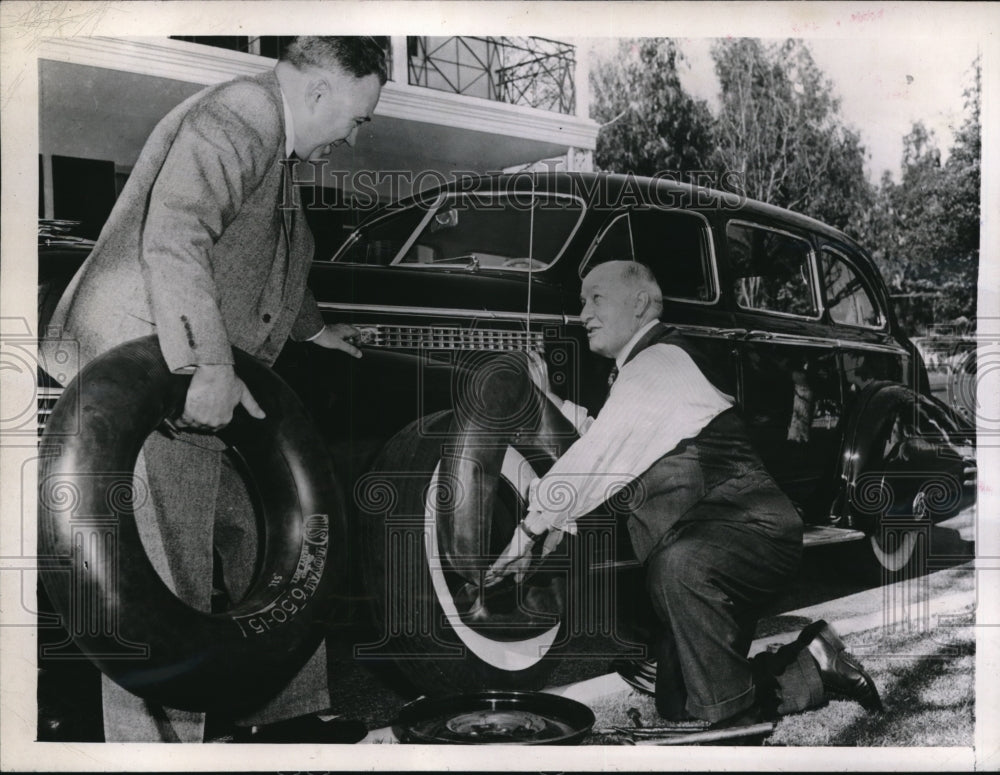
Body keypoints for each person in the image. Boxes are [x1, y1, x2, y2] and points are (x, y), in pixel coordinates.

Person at [41, 36, 386, 743]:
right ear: (319, 92)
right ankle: (159, 751)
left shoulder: (275, 144)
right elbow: (177, 232)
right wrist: (208, 364)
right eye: (356, 120)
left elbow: (275, 252)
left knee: (266, 534)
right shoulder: (243, 113)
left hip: (191, 377)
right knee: (159, 589)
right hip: (137, 379)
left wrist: (315, 330)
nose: (352, 139)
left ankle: (289, 721)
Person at [487, 260, 883, 728]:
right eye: (580, 302)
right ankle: (813, 661)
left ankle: (735, 723)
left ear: (638, 304)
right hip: (709, 543)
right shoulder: (643, 370)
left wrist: (528, 533)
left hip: (749, 534)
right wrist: (545, 401)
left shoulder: (660, 363)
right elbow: (609, 437)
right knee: (679, 703)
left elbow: (598, 453)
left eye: (596, 299)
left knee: (680, 568)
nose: (582, 314)